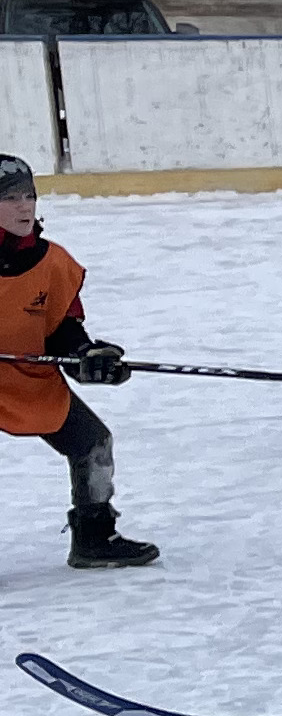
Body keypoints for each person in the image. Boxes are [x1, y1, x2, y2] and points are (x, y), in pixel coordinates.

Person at [0, 155, 154, 569]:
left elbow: (64, 335)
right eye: (9, 198)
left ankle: (94, 538)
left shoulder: (54, 264)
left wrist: (88, 358)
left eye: (28, 196)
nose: (23, 207)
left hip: (28, 378)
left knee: (92, 442)